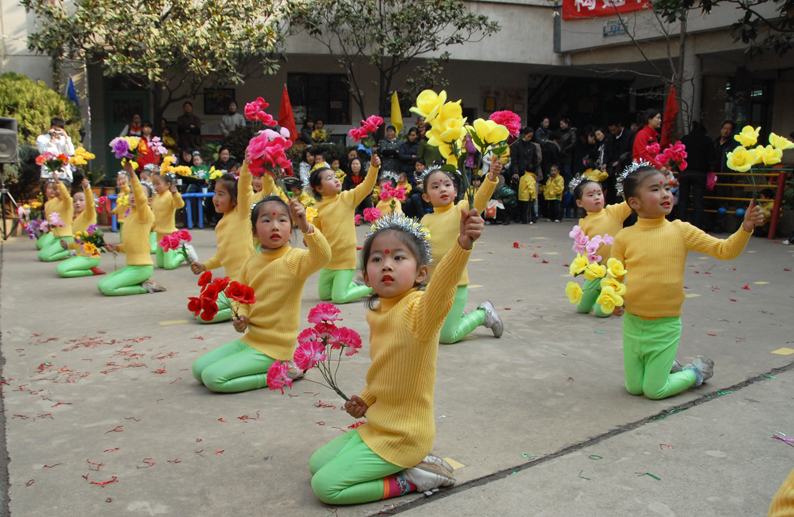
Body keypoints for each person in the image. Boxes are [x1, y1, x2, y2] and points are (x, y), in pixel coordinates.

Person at [309, 211, 483, 505]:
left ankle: (410, 480)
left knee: (326, 487)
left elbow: (442, 288)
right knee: (317, 464)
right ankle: (409, 466)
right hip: (378, 426)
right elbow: (387, 367)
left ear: (421, 274)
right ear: (366, 277)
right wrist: (366, 399)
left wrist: (462, 246)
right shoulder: (378, 312)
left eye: (399, 258)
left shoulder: (419, 311)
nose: (387, 265)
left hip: (404, 436)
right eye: (377, 259)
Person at [610, 163, 765, 400]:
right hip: (632, 324)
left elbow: (724, 250)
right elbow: (614, 277)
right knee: (634, 388)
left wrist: (745, 228)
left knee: (654, 391)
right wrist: (614, 300)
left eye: (667, 187)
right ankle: (667, 366)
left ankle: (695, 372)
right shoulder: (624, 237)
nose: (665, 194)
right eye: (655, 189)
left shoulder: (681, 231)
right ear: (634, 202)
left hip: (665, 325)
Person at [191, 196, 331, 393]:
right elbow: (239, 299)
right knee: (198, 370)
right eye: (266, 220)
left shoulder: (295, 260)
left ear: (291, 228)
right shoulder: (250, 263)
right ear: (255, 231)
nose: (275, 226)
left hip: (276, 349)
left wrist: (306, 226)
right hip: (252, 340)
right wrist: (240, 316)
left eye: (282, 220)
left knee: (213, 379)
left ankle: (285, 372)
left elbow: (323, 256)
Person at [420, 162, 503, 344]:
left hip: (455, 284)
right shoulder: (425, 220)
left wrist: (491, 178)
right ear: (426, 197)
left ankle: (483, 314)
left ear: (455, 191)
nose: (443, 189)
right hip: (431, 285)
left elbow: (479, 200)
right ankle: (458, 315)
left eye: (447, 184)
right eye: (435, 187)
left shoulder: (460, 210)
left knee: (447, 337)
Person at [190, 163, 257, 323]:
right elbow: (222, 255)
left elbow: (245, 188)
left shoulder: (241, 214)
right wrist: (204, 266)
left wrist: (246, 164)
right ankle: (247, 306)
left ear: (235, 199)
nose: (215, 198)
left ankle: (250, 307)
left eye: (221, 194)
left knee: (202, 314)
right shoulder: (221, 224)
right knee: (198, 306)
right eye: (215, 193)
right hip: (231, 284)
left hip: (246, 282)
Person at [309, 156, 381, 303]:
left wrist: (373, 168)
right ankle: (356, 285)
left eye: (335, 176)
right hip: (328, 260)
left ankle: (372, 287)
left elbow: (366, 186)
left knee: (339, 298)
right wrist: (309, 239)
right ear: (319, 188)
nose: (336, 180)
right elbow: (315, 231)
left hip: (345, 259)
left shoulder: (346, 199)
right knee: (324, 295)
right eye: (329, 178)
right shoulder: (315, 207)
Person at [99, 163, 165, 295]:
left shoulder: (145, 214)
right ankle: (142, 283)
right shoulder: (130, 215)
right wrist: (117, 247)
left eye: (137, 193)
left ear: (149, 200)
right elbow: (132, 243)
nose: (133, 195)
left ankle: (146, 287)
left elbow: (141, 199)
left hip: (142, 267)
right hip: (131, 265)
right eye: (131, 193)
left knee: (107, 288)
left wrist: (132, 174)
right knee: (101, 285)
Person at [570, 178, 632, 317]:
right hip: (595, 272)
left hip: (613, 273)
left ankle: (618, 295)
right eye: (591, 195)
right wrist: (584, 266)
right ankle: (603, 293)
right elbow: (584, 247)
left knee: (600, 312)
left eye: (599, 193)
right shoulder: (583, 222)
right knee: (582, 308)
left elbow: (630, 202)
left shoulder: (614, 212)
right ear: (579, 203)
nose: (597, 197)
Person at [56, 179, 104, 277]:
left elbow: (90, 204)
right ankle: (89, 269)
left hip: (90, 257)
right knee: (59, 267)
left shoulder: (88, 215)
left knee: (62, 270)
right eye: (74, 201)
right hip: (81, 255)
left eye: (81, 200)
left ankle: (91, 271)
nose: (77, 203)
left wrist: (87, 189)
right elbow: (79, 242)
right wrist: (67, 245)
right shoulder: (76, 218)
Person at [152, 172, 197, 269]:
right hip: (159, 234)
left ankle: (185, 252)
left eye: (158, 184)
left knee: (169, 265)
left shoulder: (170, 196)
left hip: (169, 234)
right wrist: (152, 226)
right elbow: (153, 214)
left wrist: (175, 194)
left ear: (167, 184)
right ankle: (178, 252)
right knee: (160, 264)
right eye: (153, 184)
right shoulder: (155, 197)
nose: (155, 186)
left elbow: (180, 205)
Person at [678, 121, 717, 229]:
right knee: (698, 201)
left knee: (683, 200)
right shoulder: (707, 140)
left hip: (684, 172)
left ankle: (680, 225)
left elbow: (678, 155)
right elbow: (711, 158)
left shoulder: (685, 139)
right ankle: (697, 226)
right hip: (700, 173)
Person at [38, 174, 73, 262]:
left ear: (68, 190)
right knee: (41, 255)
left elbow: (66, 196)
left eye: (59, 188)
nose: (57, 191)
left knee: (46, 257)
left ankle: (71, 252)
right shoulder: (49, 203)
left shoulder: (68, 201)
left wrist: (58, 182)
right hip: (56, 237)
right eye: (54, 189)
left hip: (66, 236)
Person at [604, 120, 636, 205]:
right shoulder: (610, 137)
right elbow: (606, 152)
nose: (613, 132)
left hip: (623, 166)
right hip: (611, 167)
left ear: (620, 126)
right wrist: (605, 163)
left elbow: (631, 151)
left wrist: (620, 161)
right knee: (611, 191)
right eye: (611, 130)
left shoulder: (630, 135)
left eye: (614, 130)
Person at [559, 118, 577, 186]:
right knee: (562, 173)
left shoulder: (571, 132)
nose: (561, 126)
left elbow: (573, 143)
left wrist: (565, 149)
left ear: (567, 124)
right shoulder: (560, 132)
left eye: (562, 124)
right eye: (560, 124)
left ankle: (572, 186)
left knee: (567, 171)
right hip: (561, 155)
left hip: (567, 155)